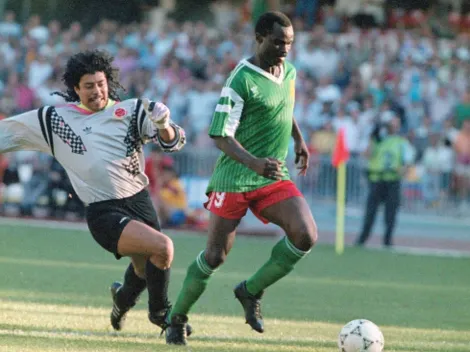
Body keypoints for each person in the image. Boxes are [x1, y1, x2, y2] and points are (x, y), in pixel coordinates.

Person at [0, 50, 191, 335]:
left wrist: (164, 125)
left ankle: (120, 303)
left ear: (109, 82)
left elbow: (173, 143)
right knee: (163, 247)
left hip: (140, 203)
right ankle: (162, 315)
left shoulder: (132, 111)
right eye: (88, 86)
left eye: (100, 84)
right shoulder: (54, 120)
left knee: (144, 268)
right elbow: (6, 133)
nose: (96, 91)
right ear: (76, 88)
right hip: (104, 212)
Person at [164, 11, 318, 345]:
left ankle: (250, 291)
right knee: (215, 256)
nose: (285, 49)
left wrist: (299, 139)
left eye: (289, 43)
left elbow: (283, 109)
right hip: (235, 177)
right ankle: (176, 318)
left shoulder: (289, 72)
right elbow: (220, 134)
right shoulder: (240, 79)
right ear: (259, 38)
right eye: (278, 42)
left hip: (271, 176)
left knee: (305, 234)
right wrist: (253, 162)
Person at [355, 117, 413, 247]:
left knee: (390, 213)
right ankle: (362, 238)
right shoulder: (377, 140)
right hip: (376, 180)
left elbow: (408, 160)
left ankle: (387, 240)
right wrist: (372, 138)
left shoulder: (401, 141)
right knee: (370, 212)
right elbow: (368, 154)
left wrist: (403, 170)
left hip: (392, 180)